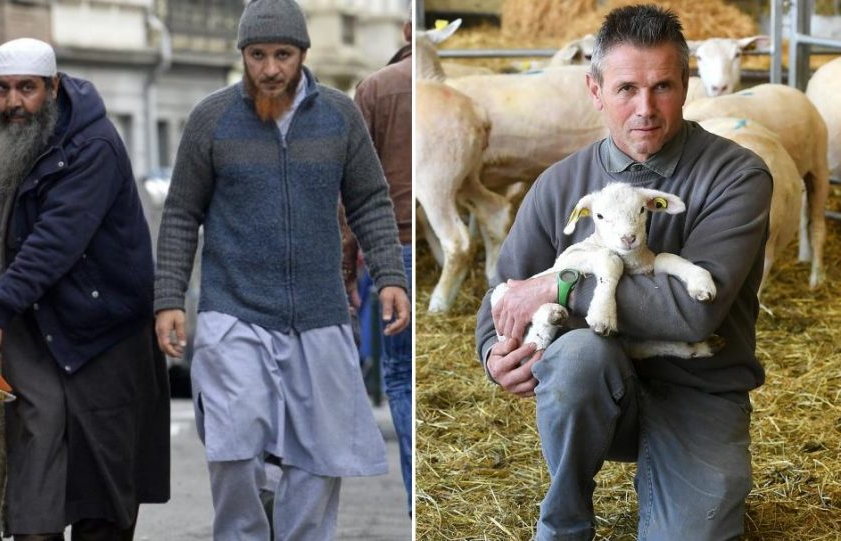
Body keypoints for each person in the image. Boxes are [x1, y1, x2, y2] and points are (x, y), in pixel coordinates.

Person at [475, 5, 772, 540]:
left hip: (698, 387)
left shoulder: (736, 175)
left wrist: (560, 283)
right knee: (579, 355)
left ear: (686, 84)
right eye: (626, 89)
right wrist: (494, 354)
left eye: (662, 87)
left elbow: (691, 311)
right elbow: (504, 293)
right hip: (598, 386)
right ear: (595, 90)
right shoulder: (560, 185)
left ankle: (687, 488)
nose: (645, 109)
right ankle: (564, 518)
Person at [153, 0, 411, 539]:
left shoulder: (340, 115)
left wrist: (390, 276)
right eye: (257, 55)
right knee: (233, 442)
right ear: (242, 56)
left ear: (303, 55)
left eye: (283, 55)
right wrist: (169, 300)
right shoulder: (212, 118)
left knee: (318, 458)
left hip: (320, 313)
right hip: (234, 309)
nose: (270, 68)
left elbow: (369, 200)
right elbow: (180, 213)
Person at [0, 37, 169, 541]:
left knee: (104, 470)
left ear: (53, 89)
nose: (14, 103)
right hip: (33, 321)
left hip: (103, 327)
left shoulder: (94, 144)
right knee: (36, 453)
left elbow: (58, 238)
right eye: (4, 89)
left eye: (27, 89)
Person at [353, 6, 413, 514]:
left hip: (394, 250)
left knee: (403, 376)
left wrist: (347, 263)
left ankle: (420, 501)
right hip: (441, 248)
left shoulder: (375, 89)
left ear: (406, 30)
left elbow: (353, 188)